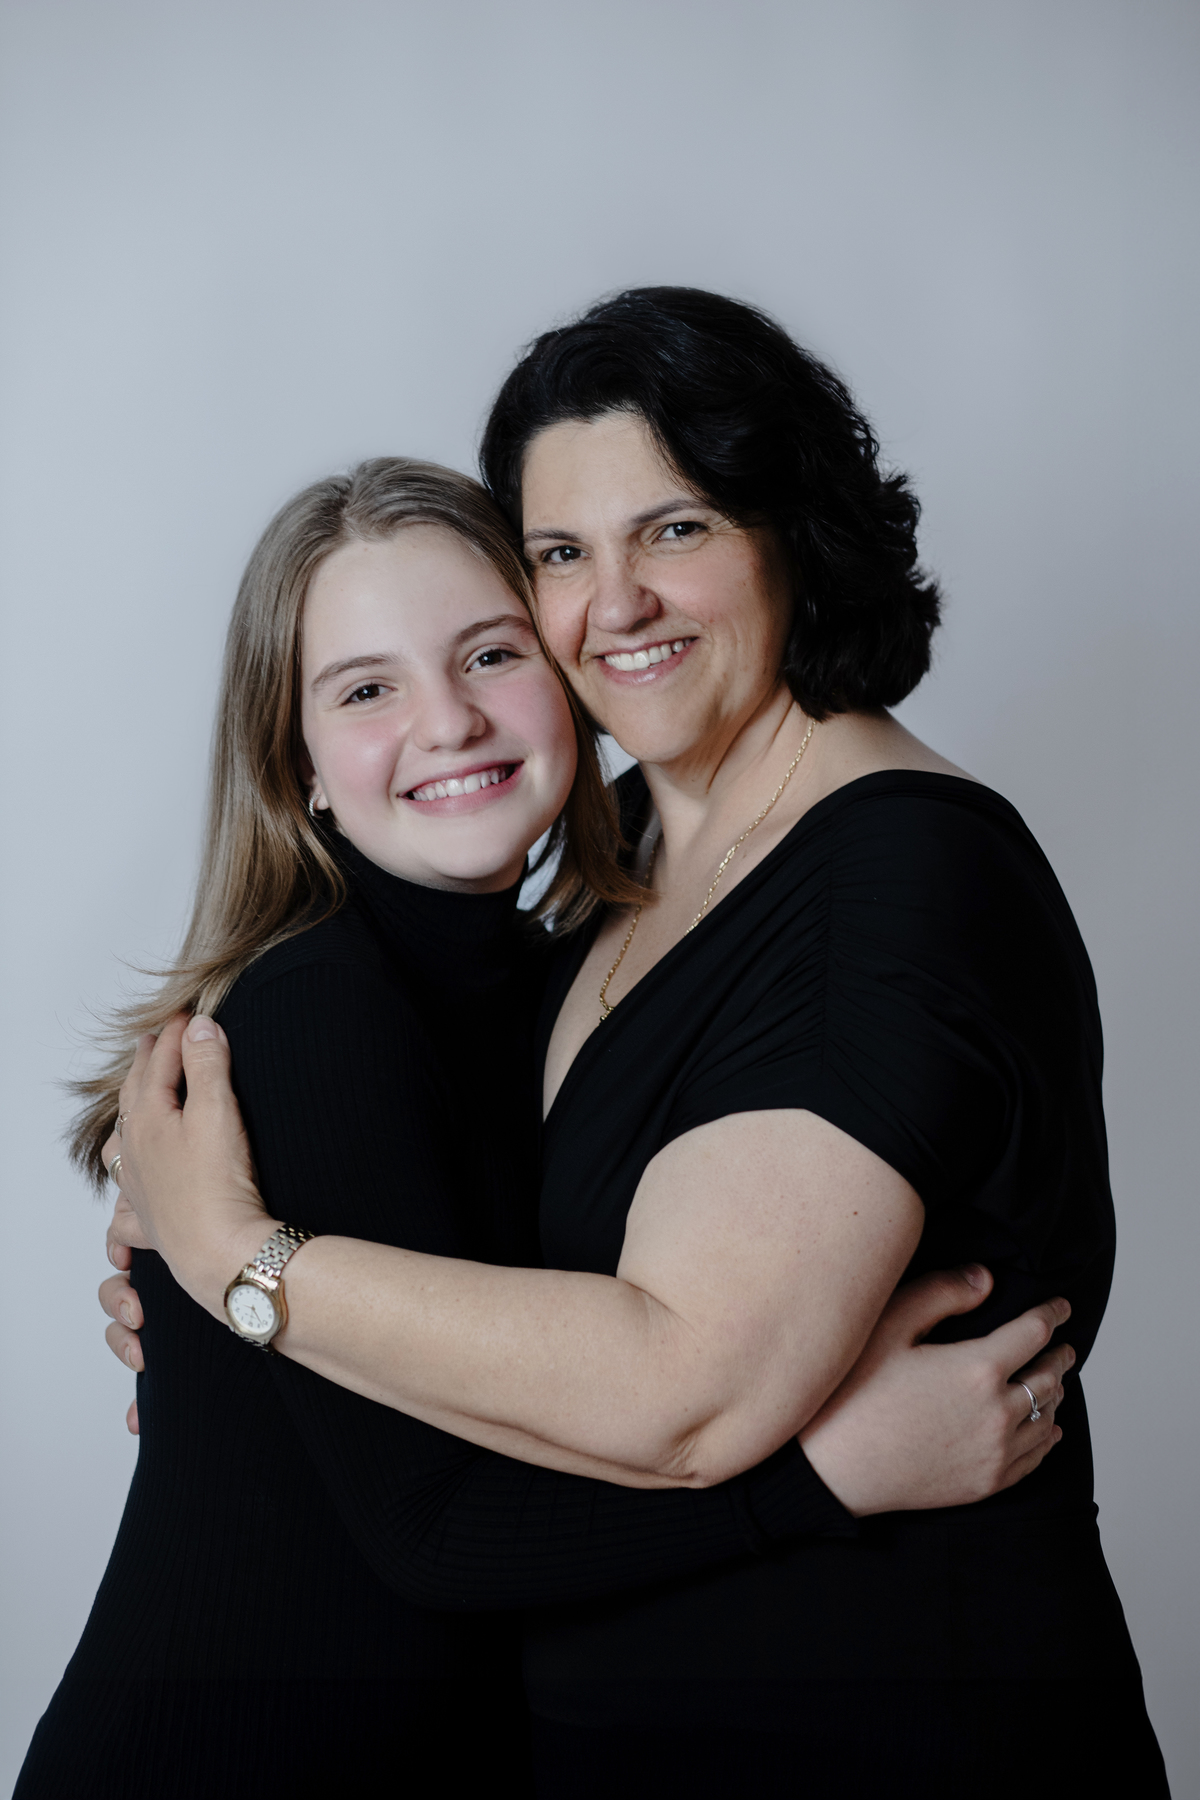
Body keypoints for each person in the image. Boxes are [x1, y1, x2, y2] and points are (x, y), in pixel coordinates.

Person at [95, 287, 1167, 1798]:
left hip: (895, 1738)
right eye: (559, 555)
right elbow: (455, 1423)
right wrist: (211, 1288)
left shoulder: (889, 881)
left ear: (790, 533)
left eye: (674, 529)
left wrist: (235, 1262)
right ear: (301, 761)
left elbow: (684, 1387)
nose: (616, 605)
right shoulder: (599, 896)